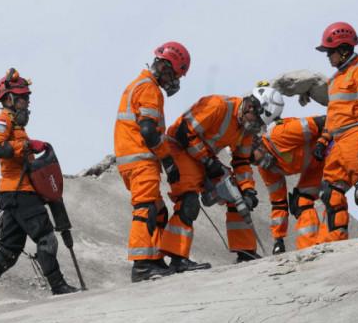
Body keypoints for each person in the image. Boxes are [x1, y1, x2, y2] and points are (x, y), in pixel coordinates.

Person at [0, 69, 78, 308]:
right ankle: (58, 286)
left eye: (27, 97)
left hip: (17, 192)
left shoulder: (17, 124)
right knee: (45, 236)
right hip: (19, 190)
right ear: (9, 99)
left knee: (9, 249)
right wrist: (28, 144)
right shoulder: (1, 121)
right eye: (23, 97)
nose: (27, 102)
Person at [160, 83, 283, 264]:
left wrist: (249, 190)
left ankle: (245, 252)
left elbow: (241, 161)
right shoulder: (218, 105)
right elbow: (183, 132)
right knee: (189, 199)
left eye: (260, 125)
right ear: (250, 106)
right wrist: (207, 162)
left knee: (238, 195)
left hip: (204, 157)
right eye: (256, 121)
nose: (255, 126)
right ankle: (178, 259)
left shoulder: (246, 129)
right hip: (178, 148)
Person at [114, 42, 191, 282]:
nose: (174, 80)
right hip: (141, 159)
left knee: (158, 211)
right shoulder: (149, 89)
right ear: (165, 66)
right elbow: (148, 131)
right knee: (146, 207)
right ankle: (142, 266)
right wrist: (167, 158)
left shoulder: (138, 84)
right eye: (175, 74)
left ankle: (155, 258)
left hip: (130, 159)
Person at [311, 22, 358, 242]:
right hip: (338, 142)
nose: (327, 57)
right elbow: (333, 116)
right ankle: (336, 240)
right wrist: (323, 140)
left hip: (357, 135)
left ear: (343, 49)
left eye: (329, 52)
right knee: (329, 191)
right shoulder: (334, 80)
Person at [250, 116, 326, 253]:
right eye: (253, 162)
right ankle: (310, 249)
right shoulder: (267, 169)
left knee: (333, 193)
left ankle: (336, 240)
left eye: (254, 158)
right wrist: (278, 240)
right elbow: (278, 202)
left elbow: (323, 122)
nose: (258, 164)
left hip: (332, 149)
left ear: (259, 144)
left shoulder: (280, 135)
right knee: (302, 202)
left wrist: (325, 141)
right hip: (315, 167)